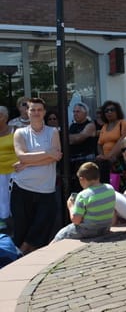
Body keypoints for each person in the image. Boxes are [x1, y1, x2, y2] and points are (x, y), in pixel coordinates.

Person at [11, 98, 62, 254]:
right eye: (33, 110)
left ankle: (22, 254)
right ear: (27, 112)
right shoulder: (20, 132)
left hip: (46, 189)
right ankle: (21, 260)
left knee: (42, 227)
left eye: (39, 110)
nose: (36, 113)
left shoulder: (53, 132)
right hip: (22, 188)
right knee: (22, 229)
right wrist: (46, 154)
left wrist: (27, 162)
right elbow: (22, 156)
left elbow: (57, 156)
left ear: (44, 112)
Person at [52, 162, 115, 242]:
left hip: (88, 231)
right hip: (105, 227)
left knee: (60, 235)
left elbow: (76, 220)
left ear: (82, 179)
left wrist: (71, 206)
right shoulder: (110, 189)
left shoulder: (83, 195)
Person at [95, 100, 126, 187]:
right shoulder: (104, 126)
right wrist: (103, 157)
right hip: (106, 164)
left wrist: (112, 157)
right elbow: (99, 144)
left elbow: (124, 141)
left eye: (112, 110)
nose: (109, 112)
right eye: (106, 111)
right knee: (106, 187)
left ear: (117, 111)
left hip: (118, 161)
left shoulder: (122, 123)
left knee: (119, 187)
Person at [69, 102, 97, 193]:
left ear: (85, 113)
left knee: (86, 188)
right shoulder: (72, 126)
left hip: (85, 161)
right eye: (74, 112)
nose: (75, 114)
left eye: (78, 111)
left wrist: (69, 137)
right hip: (73, 162)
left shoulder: (90, 125)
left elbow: (79, 138)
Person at [0, 106, 16, 231]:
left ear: (6, 117)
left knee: (13, 200)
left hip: (14, 172)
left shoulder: (15, 131)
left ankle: (14, 227)